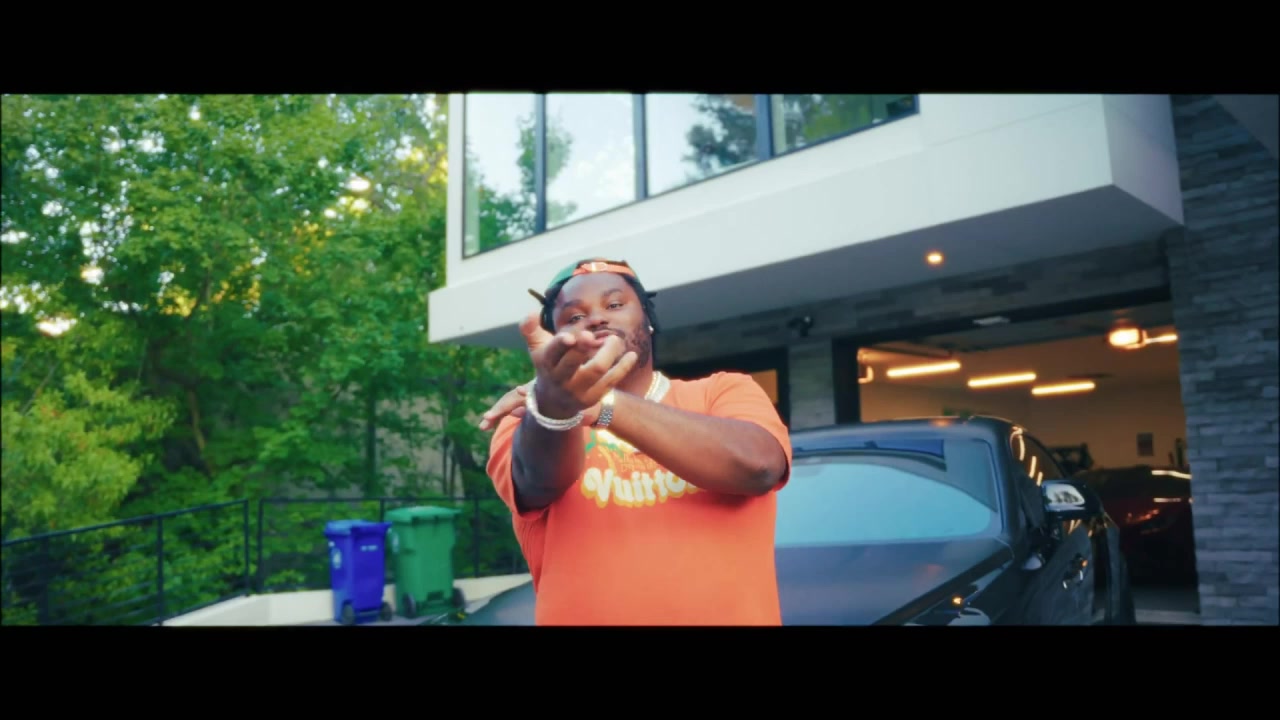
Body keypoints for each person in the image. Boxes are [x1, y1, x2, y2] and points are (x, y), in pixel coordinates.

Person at [481, 258, 792, 626]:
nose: (596, 319)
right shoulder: (528, 418)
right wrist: (555, 410)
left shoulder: (723, 391)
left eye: (614, 304)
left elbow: (759, 466)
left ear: (647, 319)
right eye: (574, 317)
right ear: (554, 342)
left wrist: (602, 405)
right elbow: (538, 483)